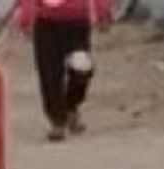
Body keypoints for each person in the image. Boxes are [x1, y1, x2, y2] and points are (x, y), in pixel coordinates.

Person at [21, 0, 115, 141]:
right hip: (46, 22)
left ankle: (71, 106)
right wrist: (26, 18)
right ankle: (57, 121)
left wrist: (103, 13)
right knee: (49, 74)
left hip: (77, 21)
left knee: (81, 67)